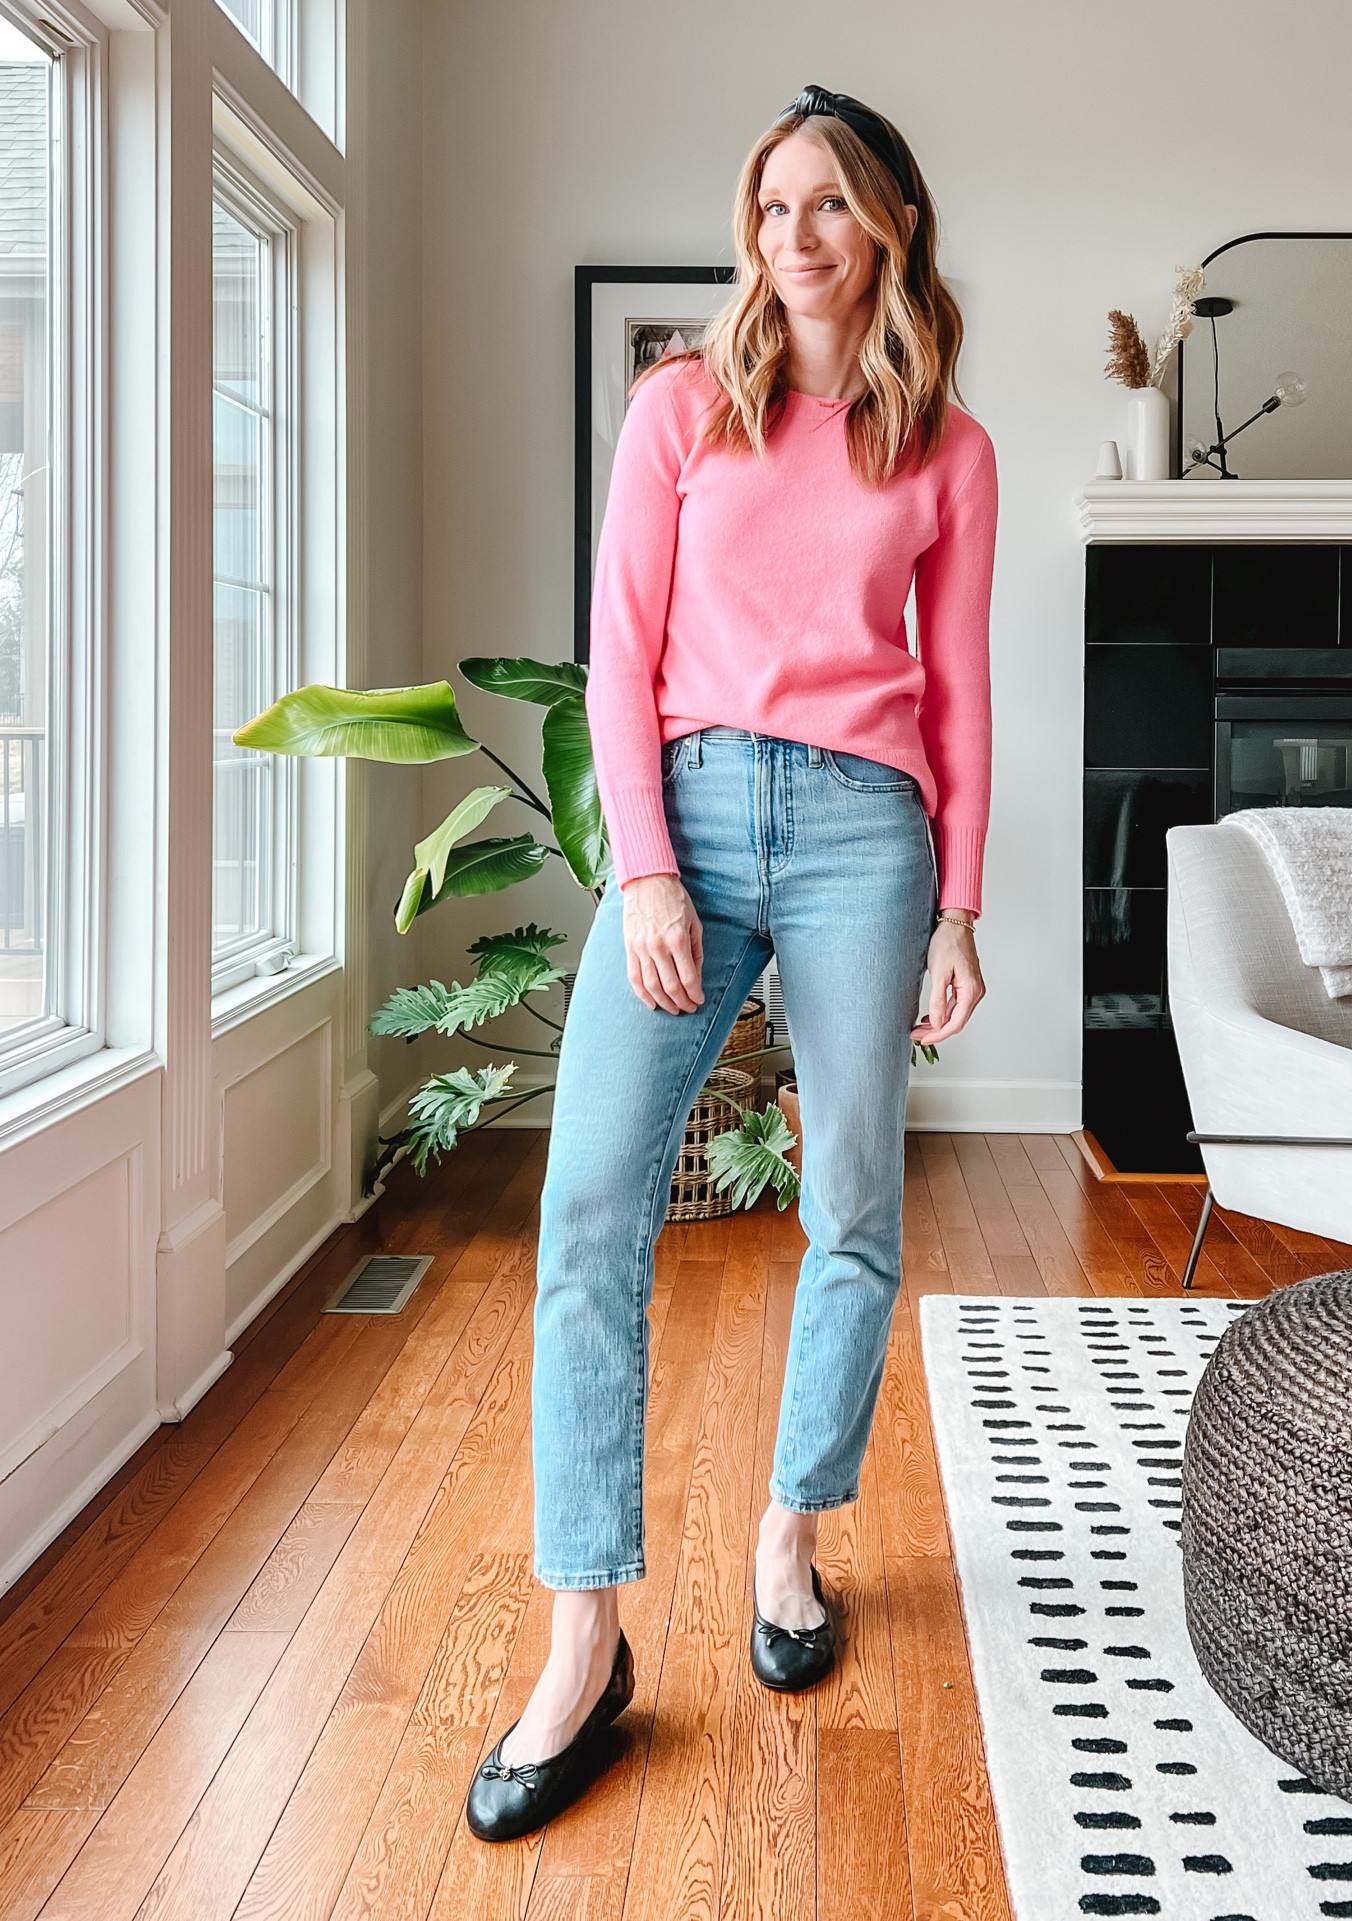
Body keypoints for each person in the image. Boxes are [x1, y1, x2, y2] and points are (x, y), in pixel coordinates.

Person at [466, 81, 998, 1842]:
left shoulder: (948, 451)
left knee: (851, 1206)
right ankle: (583, 1637)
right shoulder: (681, 406)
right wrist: (643, 870)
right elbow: (617, 655)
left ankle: (790, 1533)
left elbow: (957, 688)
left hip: (865, 836)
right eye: (771, 207)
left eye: (827, 202)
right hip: (686, 813)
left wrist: (960, 904)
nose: (795, 236)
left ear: (890, 223)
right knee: (588, 1203)